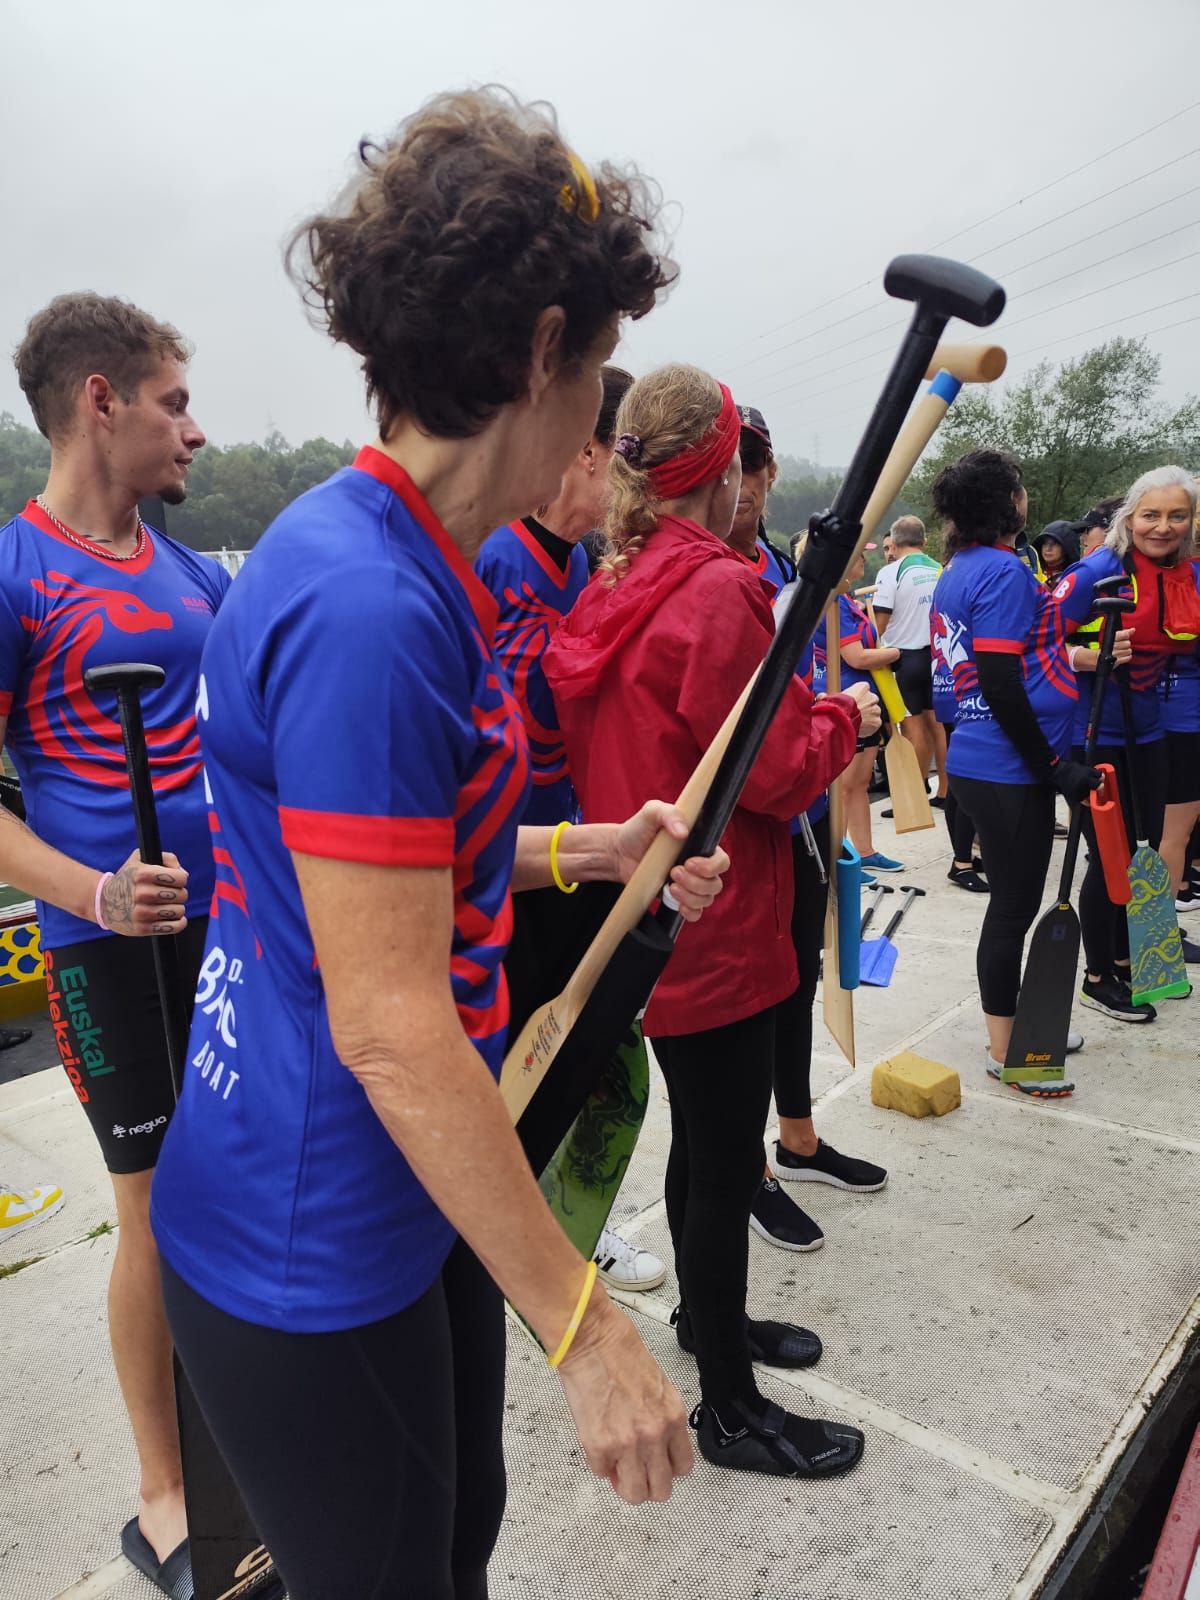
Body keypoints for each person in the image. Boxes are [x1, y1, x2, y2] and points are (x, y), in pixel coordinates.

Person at [149, 93, 733, 1599]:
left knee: (454, 1546)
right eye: (596, 371)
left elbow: (391, 872)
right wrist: (584, 1323)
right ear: (541, 350)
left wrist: (585, 849)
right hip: (312, 1230)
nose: (598, 421)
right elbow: (391, 1023)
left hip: (398, 1200)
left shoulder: (403, 556)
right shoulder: (369, 603)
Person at [546, 362, 877, 1480]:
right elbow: (776, 771)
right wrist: (848, 715)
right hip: (718, 910)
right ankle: (731, 1408)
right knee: (727, 1159)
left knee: (704, 1138)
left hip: (649, 909)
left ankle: (708, 1323)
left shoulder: (612, 579)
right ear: (726, 468)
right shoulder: (718, 590)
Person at [2, 292, 221, 1594]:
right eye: (174, 403)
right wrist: (92, 891)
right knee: (147, 1208)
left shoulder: (193, 574)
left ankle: (240, 1437)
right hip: (102, 955)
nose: (193, 430)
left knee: (229, 1184)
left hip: (223, 934)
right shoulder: (18, 574)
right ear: (102, 402)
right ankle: (164, 1491)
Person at [476, 363, 666, 1292]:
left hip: (574, 845)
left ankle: (568, 1221)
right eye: (626, 463)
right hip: (497, 862)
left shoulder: (582, 563)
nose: (635, 487)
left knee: (586, 1050)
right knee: (506, 1055)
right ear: (585, 452)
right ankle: (499, 1229)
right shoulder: (495, 554)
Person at [725, 415, 887, 1254]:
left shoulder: (785, 568)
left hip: (803, 808)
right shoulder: (705, 574)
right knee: (744, 1006)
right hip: (737, 818)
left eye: (752, 465)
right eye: (727, 466)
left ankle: (798, 1138)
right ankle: (747, 1170)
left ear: (769, 473)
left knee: (797, 977)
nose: (739, 483)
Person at [930, 449, 1105, 1084]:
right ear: (1008, 502)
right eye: (1020, 488)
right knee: (1012, 907)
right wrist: (1054, 765)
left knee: (1015, 902)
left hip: (988, 762)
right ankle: (1006, 1049)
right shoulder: (1002, 570)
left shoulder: (963, 564)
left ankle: (1025, 1021)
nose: (1025, 496)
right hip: (1006, 767)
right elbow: (1000, 681)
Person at [1051, 466, 1200, 1011]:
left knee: (1146, 851)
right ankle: (1097, 976)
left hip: (1151, 732)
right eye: (1151, 515)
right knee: (1109, 857)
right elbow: (1031, 643)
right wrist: (1087, 656)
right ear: (1129, 517)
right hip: (1094, 734)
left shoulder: (1189, 572)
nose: (1163, 526)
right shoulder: (1097, 571)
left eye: (1176, 516)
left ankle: (1128, 959)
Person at [814, 550, 904, 873]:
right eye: (859, 553)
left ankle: (864, 852)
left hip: (864, 701)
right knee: (844, 785)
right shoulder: (834, 602)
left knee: (860, 782)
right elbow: (856, 657)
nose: (864, 559)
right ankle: (840, 860)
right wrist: (898, 653)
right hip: (848, 699)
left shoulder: (846, 600)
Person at [872, 513, 943, 799]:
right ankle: (945, 792)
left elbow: (878, 624)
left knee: (911, 727)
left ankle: (915, 797)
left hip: (904, 657)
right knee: (938, 727)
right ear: (923, 540)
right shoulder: (939, 568)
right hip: (937, 657)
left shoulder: (891, 572)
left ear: (895, 542)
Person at [1032, 519, 1083, 585]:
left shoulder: (1076, 576)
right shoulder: (1030, 571)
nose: (1048, 548)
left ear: (1067, 547)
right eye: (1045, 543)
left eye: (1054, 543)